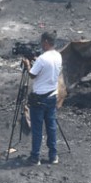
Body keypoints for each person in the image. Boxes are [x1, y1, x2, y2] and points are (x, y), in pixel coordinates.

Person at [22, 31, 62, 165]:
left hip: (39, 99)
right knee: (51, 127)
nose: (40, 44)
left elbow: (32, 75)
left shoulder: (42, 59)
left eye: (41, 42)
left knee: (37, 129)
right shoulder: (58, 56)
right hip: (52, 96)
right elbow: (46, 69)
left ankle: (35, 157)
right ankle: (53, 156)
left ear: (45, 42)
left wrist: (28, 65)